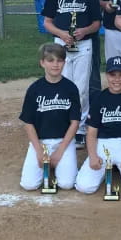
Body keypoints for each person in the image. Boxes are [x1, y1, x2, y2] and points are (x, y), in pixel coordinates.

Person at [45, 0, 104, 147]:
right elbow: (49, 18)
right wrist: (61, 33)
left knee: (84, 84)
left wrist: (86, 30)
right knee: (60, 80)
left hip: (85, 39)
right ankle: (61, 123)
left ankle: (82, 125)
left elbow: (96, 17)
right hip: (61, 38)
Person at [75, 56, 121, 195]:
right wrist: (92, 156)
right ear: (106, 75)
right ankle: (104, 173)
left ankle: (117, 169)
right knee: (84, 186)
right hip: (103, 144)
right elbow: (91, 132)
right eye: (112, 75)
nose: (117, 79)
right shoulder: (99, 98)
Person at [19, 43, 80, 190]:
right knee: (29, 185)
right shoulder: (34, 89)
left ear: (64, 63)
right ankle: (49, 162)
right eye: (50, 60)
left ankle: (57, 162)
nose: (55, 64)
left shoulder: (71, 88)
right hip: (41, 142)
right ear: (42, 63)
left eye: (59, 60)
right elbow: (28, 122)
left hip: (63, 142)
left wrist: (60, 150)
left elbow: (75, 122)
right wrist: (39, 150)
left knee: (66, 184)